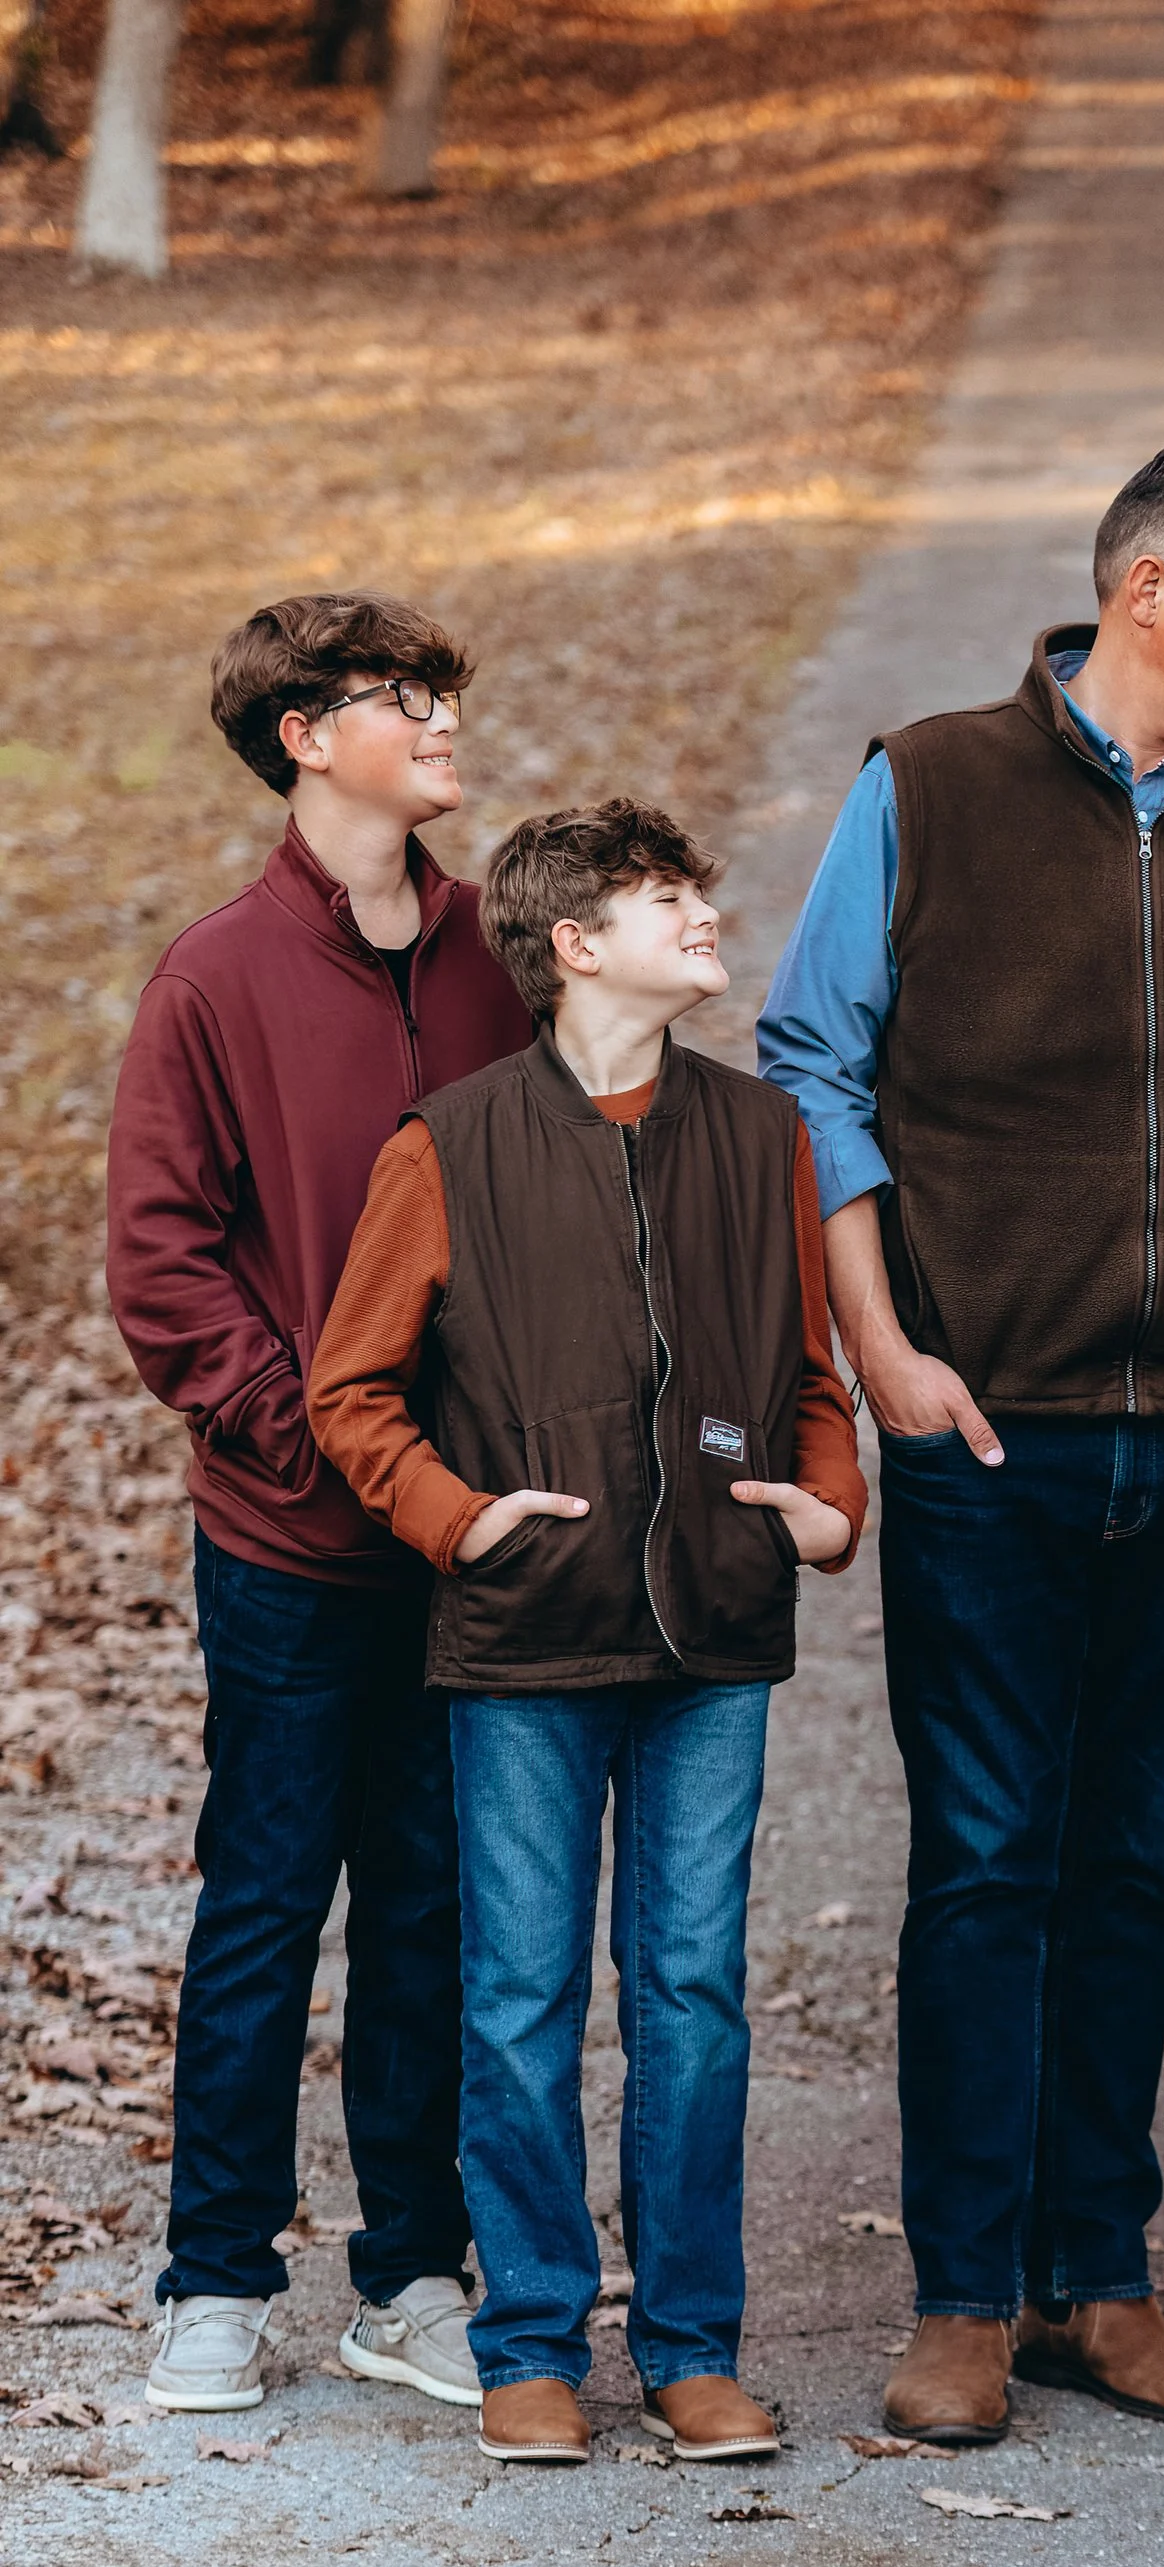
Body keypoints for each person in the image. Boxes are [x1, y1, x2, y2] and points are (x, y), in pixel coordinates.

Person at [757, 440, 1164, 2448]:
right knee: (982, 1862)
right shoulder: (928, 785)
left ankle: (1098, 2281)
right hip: (986, 1425)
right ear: (1146, 589)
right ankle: (964, 2293)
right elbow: (813, 1060)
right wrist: (883, 1352)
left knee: (1133, 1867)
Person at [308, 801, 867, 2464]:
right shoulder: (450, 1145)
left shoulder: (760, 1131)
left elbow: (811, 1374)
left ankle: (692, 2344)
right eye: (664, 896)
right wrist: (455, 1517)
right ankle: (533, 2340)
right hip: (523, 1640)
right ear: (574, 944)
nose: (705, 917)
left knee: (693, 1993)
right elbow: (352, 1389)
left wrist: (831, 1505)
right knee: (519, 1996)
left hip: (717, 1632)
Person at [106, 594, 534, 2418]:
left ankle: (414, 2274)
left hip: (474, 1538)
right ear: (302, 735)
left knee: (435, 1906)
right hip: (290, 1542)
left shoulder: (500, 956)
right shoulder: (215, 979)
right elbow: (162, 1265)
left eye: (444, 692)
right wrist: (318, 1442)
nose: (441, 720)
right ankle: (214, 2278)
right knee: (268, 1900)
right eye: (401, 696)